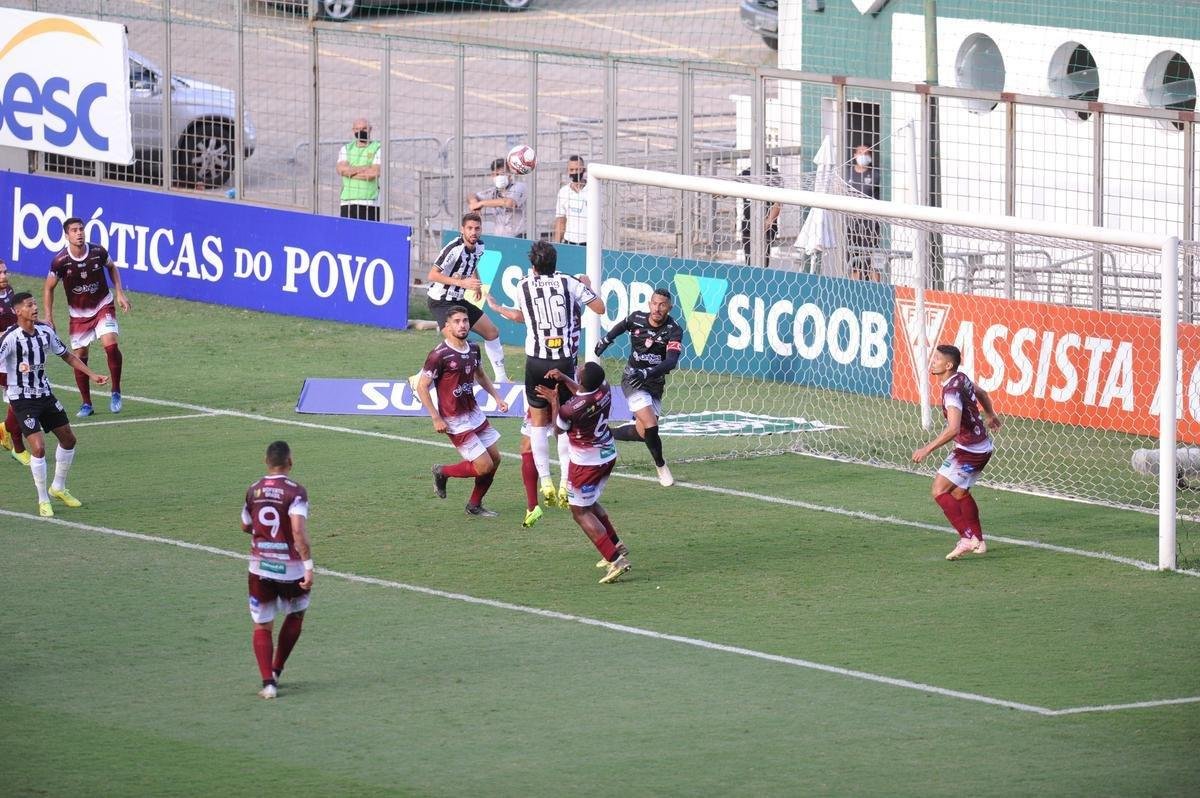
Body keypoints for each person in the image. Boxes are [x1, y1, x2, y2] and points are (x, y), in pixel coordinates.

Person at [493, 240, 603, 507]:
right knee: (564, 425)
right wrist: (585, 287)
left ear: (533, 265)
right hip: (563, 364)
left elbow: (523, 316)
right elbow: (599, 308)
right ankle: (566, 484)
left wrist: (497, 309)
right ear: (556, 262)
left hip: (536, 363)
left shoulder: (522, 285)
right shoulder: (569, 283)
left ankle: (546, 482)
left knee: (538, 424)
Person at [0, 292, 110, 517]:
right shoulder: (10, 338)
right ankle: (43, 499)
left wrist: (91, 374)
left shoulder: (45, 331)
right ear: (17, 311)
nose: (35, 308)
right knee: (39, 448)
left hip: (45, 395)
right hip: (22, 399)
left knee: (69, 440)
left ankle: (58, 487)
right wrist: (11, 389)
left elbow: (67, 355)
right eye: (29, 305)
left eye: (35, 304)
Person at [537, 362, 631, 584]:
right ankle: (615, 544)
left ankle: (616, 560)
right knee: (590, 502)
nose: (578, 370)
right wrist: (564, 378)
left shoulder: (570, 409)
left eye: (580, 371)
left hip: (586, 464)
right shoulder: (605, 388)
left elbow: (558, 428)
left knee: (579, 511)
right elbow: (583, 392)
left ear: (583, 380)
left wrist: (554, 401)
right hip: (607, 453)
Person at [416, 305, 510, 517]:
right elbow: (422, 386)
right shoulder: (439, 355)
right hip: (453, 418)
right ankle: (442, 471)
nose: (462, 325)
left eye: (465, 320)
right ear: (447, 326)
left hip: (473, 412)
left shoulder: (474, 349)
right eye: (457, 321)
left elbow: (481, 375)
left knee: (495, 459)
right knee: (484, 465)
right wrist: (435, 417)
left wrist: (497, 398)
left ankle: (474, 505)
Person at [912, 344, 1002, 561]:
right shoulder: (961, 378)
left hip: (970, 450)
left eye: (937, 359)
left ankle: (966, 537)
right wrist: (990, 415)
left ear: (948, 365)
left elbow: (952, 429)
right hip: (981, 446)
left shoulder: (951, 392)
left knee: (939, 490)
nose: (932, 362)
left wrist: (927, 449)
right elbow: (981, 392)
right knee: (960, 493)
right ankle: (978, 541)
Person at [241, 440, 314, 700]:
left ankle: (268, 683)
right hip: (291, 568)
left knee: (262, 625)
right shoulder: (296, 492)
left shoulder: (253, 489)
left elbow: (245, 524)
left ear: (266, 461)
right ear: (290, 462)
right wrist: (308, 565)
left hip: (259, 565)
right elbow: (297, 531)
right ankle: (277, 669)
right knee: (295, 616)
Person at [594, 287, 683, 487]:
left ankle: (606, 433)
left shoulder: (673, 330)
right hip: (632, 379)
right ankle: (661, 466)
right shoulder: (637, 319)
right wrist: (607, 339)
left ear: (669, 308)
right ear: (649, 304)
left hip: (654, 382)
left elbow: (671, 362)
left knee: (644, 433)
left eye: (662, 305)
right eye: (654, 303)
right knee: (652, 425)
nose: (657, 308)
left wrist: (648, 373)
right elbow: (623, 325)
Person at [44, 216, 131, 417]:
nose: (79, 233)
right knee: (80, 356)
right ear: (67, 235)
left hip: (103, 305)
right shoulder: (60, 261)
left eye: (81, 229)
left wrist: (119, 292)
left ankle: (116, 390)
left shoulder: (97, 251)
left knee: (111, 344)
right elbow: (48, 288)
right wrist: (49, 317)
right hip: (78, 314)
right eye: (74, 230)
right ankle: (86, 404)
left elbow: (112, 267)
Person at [425, 212, 509, 383]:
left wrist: (476, 282)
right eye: (469, 228)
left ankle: (501, 379)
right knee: (457, 344)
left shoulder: (480, 247)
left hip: (457, 300)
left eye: (477, 229)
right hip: (440, 301)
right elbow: (432, 275)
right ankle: (421, 379)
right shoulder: (453, 249)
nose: (473, 232)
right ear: (462, 229)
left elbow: (472, 264)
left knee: (492, 332)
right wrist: (462, 284)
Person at [0, 260, 30, 465]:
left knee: (18, 399)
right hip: (2, 359)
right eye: (0, 273)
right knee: (19, 400)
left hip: (16, 355)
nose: (4, 276)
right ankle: (18, 449)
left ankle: (5, 429)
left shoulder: (9, 292)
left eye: (5, 271)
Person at [846, 143, 882, 281]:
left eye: (867, 154)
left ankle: (876, 290)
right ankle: (854, 288)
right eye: (860, 153)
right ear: (854, 155)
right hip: (853, 225)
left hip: (871, 225)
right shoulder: (847, 174)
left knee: (872, 259)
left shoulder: (876, 175)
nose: (863, 156)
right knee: (854, 260)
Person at [468, 157, 528, 239]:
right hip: (500, 238)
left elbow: (509, 202)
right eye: (496, 174)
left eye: (502, 174)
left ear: (510, 175)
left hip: (519, 237)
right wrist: (474, 203)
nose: (499, 177)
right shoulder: (493, 191)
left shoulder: (519, 187)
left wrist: (481, 203)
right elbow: (471, 195)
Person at [336, 117, 382, 221]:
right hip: (348, 201)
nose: (361, 132)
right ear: (353, 130)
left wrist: (350, 172)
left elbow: (373, 173)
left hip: (370, 202)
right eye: (357, 129)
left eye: (364, 128)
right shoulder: (346, 148)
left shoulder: (377, 148)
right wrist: (363, 168)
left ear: (370, 129)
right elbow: (341, 170)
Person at [739, 164, 781, 267]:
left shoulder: (773, 174)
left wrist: (768, 221)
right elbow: (726, 191)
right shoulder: (745, 173)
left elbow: (778, 202)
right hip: (748, 225)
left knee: (762, 262)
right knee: (749, 261)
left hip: (766, 228)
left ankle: (758, 280)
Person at [553, 155, 589, 246]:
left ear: (583, 170)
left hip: (589, 242)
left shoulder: (593, 189)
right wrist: (557, 245)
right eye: (572, 170)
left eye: (578, 169)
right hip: (569, 241)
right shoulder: (564, 192)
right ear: (568, 171)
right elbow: (560, 221)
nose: (575, 172)